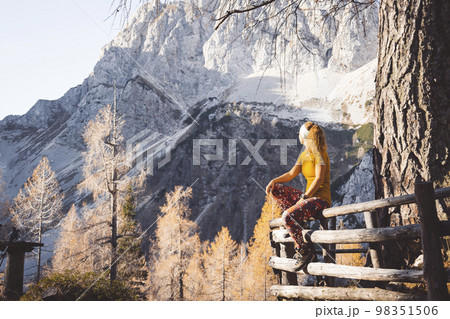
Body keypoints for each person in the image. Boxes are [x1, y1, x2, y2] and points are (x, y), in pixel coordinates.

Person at [266, 121, 331, 270]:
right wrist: (274, 181)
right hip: (308, 197)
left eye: (299, 135)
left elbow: (319, 179)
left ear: (304, 136)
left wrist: (305, 197)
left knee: (287, 217)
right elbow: (291, 174)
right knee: (276, 189)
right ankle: (299, 224)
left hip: (320, 199)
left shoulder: (319, 154)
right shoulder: (304, 155)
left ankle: (304, 250)